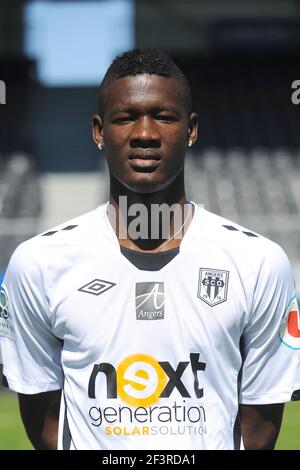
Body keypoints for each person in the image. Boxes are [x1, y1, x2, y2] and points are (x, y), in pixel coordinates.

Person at [0, 48, 300, 451]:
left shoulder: (260, 263)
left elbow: (260, 426)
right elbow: (44, 419)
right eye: (125, 117)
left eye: (164, 116)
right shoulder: (38, 264)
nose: (144, 133)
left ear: (191, 129)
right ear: (98, 131)